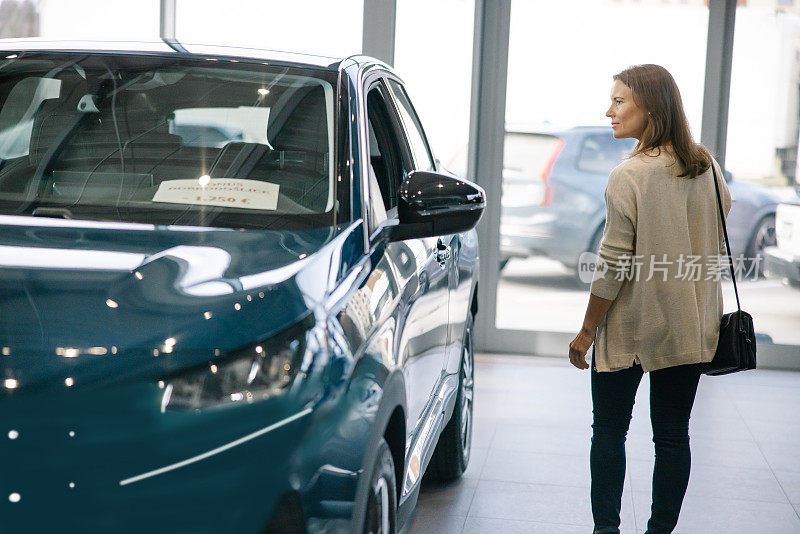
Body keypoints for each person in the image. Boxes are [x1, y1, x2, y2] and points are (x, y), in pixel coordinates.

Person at [568, 64, 732, 534]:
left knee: (610, 430)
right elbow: (718, 229)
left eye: (620, 101)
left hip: (632, 329)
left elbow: (613, 263)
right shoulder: (706, 166)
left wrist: (586, 332)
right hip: (689, 323)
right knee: (674, 436)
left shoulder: (630, 175)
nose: (609, 110)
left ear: (652, 108)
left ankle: (606, 530)